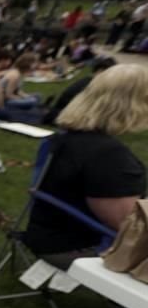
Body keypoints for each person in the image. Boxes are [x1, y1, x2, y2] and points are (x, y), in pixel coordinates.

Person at [24, 64, 148, 270]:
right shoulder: (108, 155)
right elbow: (130, 228)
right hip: (79, 247)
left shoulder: (64, 138)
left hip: (44, 234)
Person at [43, 56, 116, 125]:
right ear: (99, 71)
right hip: (64, 116)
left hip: (62, 113)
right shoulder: (90, 85)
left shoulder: (89, 81)